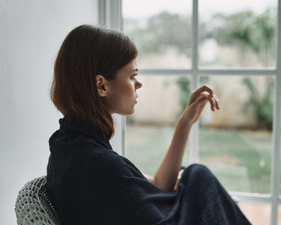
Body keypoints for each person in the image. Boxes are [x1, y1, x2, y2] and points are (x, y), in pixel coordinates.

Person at [46, 24, 251, 225]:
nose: (139, 83)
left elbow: (158, 185)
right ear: (101, 85)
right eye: (132, 75)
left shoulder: (67, 144)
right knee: (198, 178)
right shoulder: (98, 164)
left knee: (192, 177)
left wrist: (185, 123)